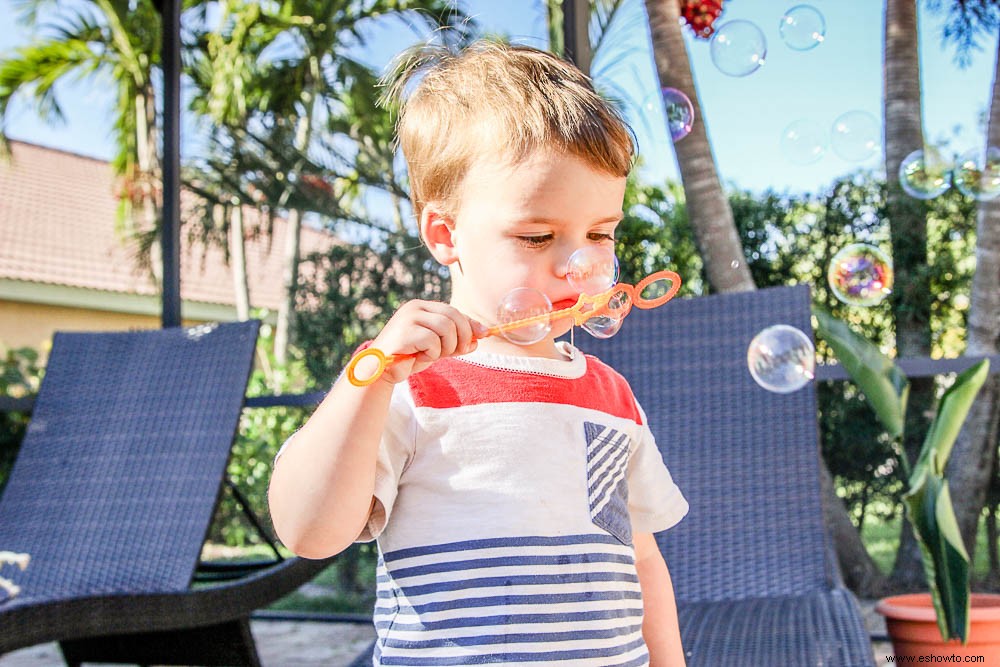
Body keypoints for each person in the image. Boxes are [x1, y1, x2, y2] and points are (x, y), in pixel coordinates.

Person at [268, 40, 689, 666]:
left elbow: (642, 558)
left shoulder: (612, 398)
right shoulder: (409, 384)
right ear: (445, 233)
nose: (580, 265)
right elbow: (308, 532)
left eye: (600, 233)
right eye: (537, 235)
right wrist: (368, 380)